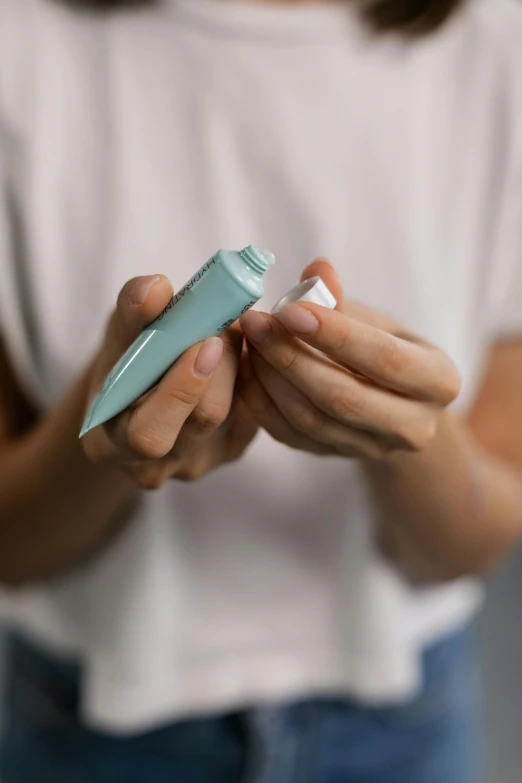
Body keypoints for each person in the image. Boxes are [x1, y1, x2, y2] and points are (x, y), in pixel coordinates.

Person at [0, 0, 520, 780]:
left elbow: (475, 539)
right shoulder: (21, 40)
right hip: (87, 726)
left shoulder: (497, 39)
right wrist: (101, 441)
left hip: (403, 723)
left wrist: (412, 439)